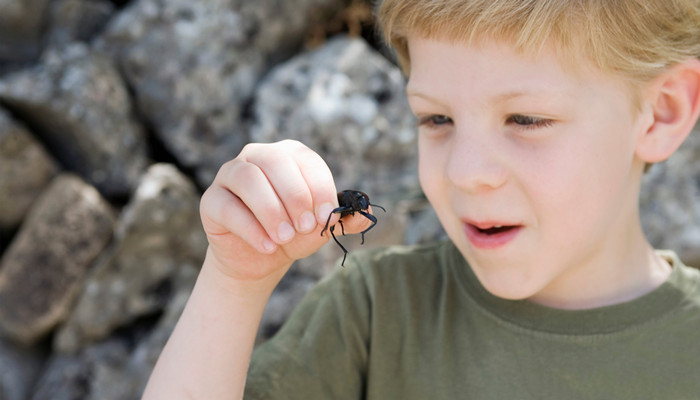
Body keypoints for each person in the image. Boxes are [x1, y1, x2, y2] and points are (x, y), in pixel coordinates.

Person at [142, 0, 700, 398]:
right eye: (436, 118)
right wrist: (236, 281)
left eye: (526, 119)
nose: (465, 173)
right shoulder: (375, 313)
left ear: (662, 112)